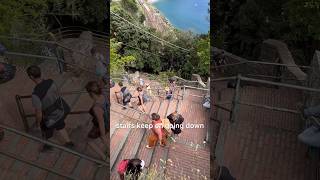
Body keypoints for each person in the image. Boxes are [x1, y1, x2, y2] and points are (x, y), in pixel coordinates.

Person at [27, 65, 74, 152]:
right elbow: (58, 93)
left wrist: (37, 124)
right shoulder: (50, 81)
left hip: (52, 115)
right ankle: (69, 142)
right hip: (62, 108)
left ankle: (47, 144)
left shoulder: (35, 95)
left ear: (31, 77)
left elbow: (39, 113)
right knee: (59, 123)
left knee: (43, 126)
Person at [85, 81, 109, 160]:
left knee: (89, 140)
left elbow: (100, 122)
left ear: (91, 93)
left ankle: (104, 158)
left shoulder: (97, 107)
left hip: (101, 125)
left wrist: (102, 134)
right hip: (107, 120)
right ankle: (108, 152)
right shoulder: (103, 95)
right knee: (103, 138)